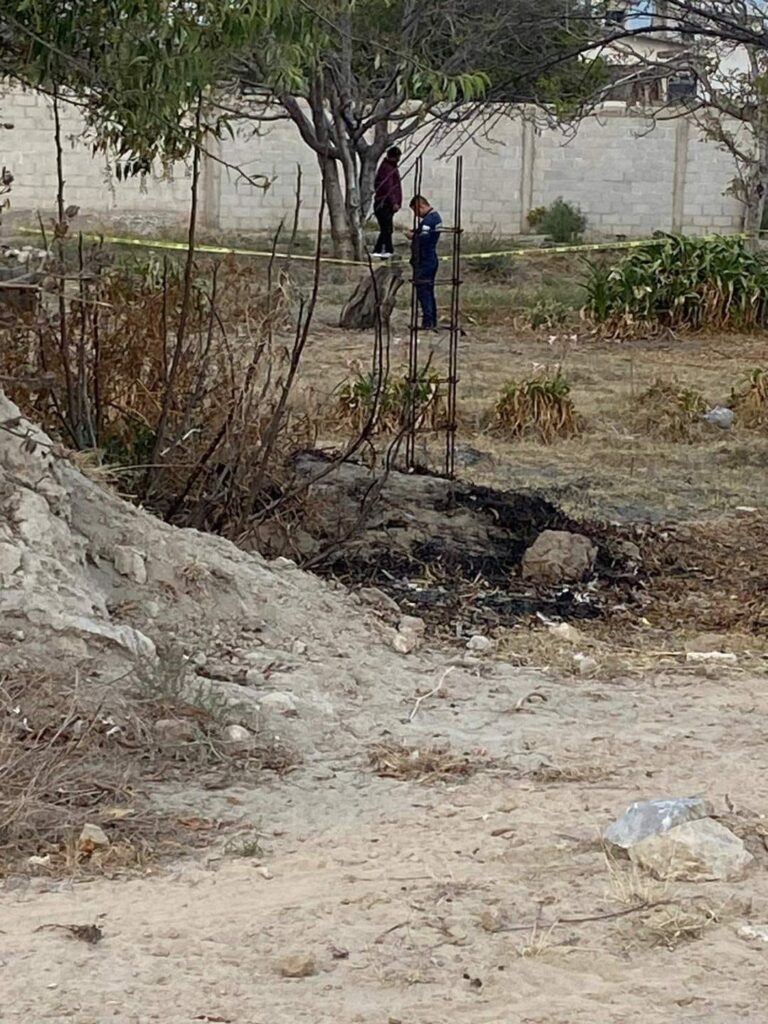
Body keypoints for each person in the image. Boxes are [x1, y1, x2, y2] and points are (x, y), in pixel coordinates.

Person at [407, 194, 442, 330]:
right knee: (429, 291)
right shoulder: (435, 217)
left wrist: (413, 236)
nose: (416, 215)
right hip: (429, 259)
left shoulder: (428, 220)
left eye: (416, 211)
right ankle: (432, 321)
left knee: (424, 292)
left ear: (421, 206)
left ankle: (428, 322)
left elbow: (424, 239)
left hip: (425, 260)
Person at [372, 147, 402, 257]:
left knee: (386, 229)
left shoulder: (391, 167)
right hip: (384, 204)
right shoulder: (387, 168)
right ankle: (386, 250)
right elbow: (388, 187)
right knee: (387, 229)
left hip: (386, 203)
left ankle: (379, 250)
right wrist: (394, 202)